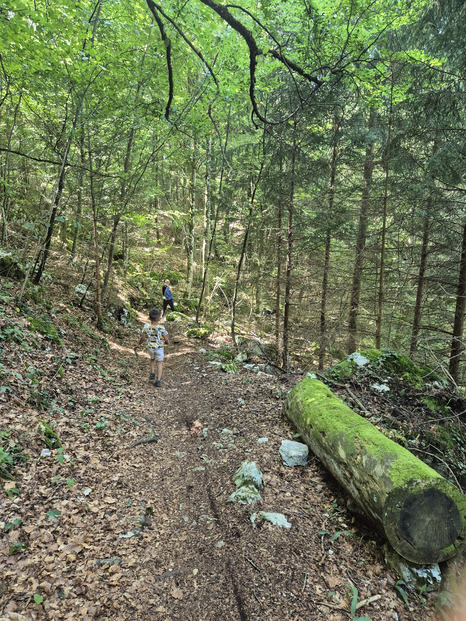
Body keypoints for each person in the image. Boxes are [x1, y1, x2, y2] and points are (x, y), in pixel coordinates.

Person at [135, 308, 169, 387]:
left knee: (152, 359)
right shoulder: (161, 327)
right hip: (159, 348)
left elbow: (143, 338)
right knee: (159, 363)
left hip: (150, 348)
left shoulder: (146, 326)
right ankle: (158, 380)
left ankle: (152, 373)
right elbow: (166, 338)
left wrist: (139, 344)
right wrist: (167, 342)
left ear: (149, 318)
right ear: (159, 318)